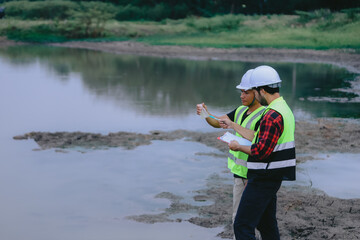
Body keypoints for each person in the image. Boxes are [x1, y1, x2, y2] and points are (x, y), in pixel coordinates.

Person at [228, 65, 296, 240]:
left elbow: (261, 152)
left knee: (242, 225)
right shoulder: (285, 108)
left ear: (262, 90)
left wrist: (238, 146)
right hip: (274, 175)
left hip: (263, 177)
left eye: (254, 91)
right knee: (266, 224)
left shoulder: (272, 115)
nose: (255, 96)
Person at [196, 69, 265, 237]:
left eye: (246, 92)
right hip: (239, 175)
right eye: (241, 92)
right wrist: (205, 114)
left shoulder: (265, 115)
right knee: (243, 219)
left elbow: (258, 140)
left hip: (253, 176)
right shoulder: (240, 110)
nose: (242, 96)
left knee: (246, 221)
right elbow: (216, 122)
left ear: (257, 93)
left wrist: (233, 125)